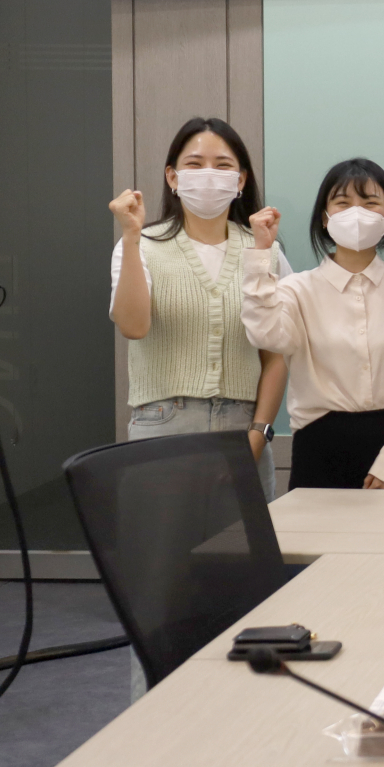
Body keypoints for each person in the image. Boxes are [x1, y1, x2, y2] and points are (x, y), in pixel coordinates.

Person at [108, 117, 288, 501]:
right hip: (163, 426)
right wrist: (131, 235)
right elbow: (133, 326)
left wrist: (257, 436)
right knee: (161, 541)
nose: (209, 174)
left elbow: (277, 356)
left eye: (223, 165)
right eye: (194, 163)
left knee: (244, 541)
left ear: (240, 180)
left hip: (243, 430)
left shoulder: (265, 250)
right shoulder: (142, 244)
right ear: (172, 177)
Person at [240, 159, 384, 490]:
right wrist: (261, 254)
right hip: (318, 450)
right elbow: (265, 334)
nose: (357, 213)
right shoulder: (297, 289)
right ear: (325, 217)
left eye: (370, 202)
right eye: (343, 203)